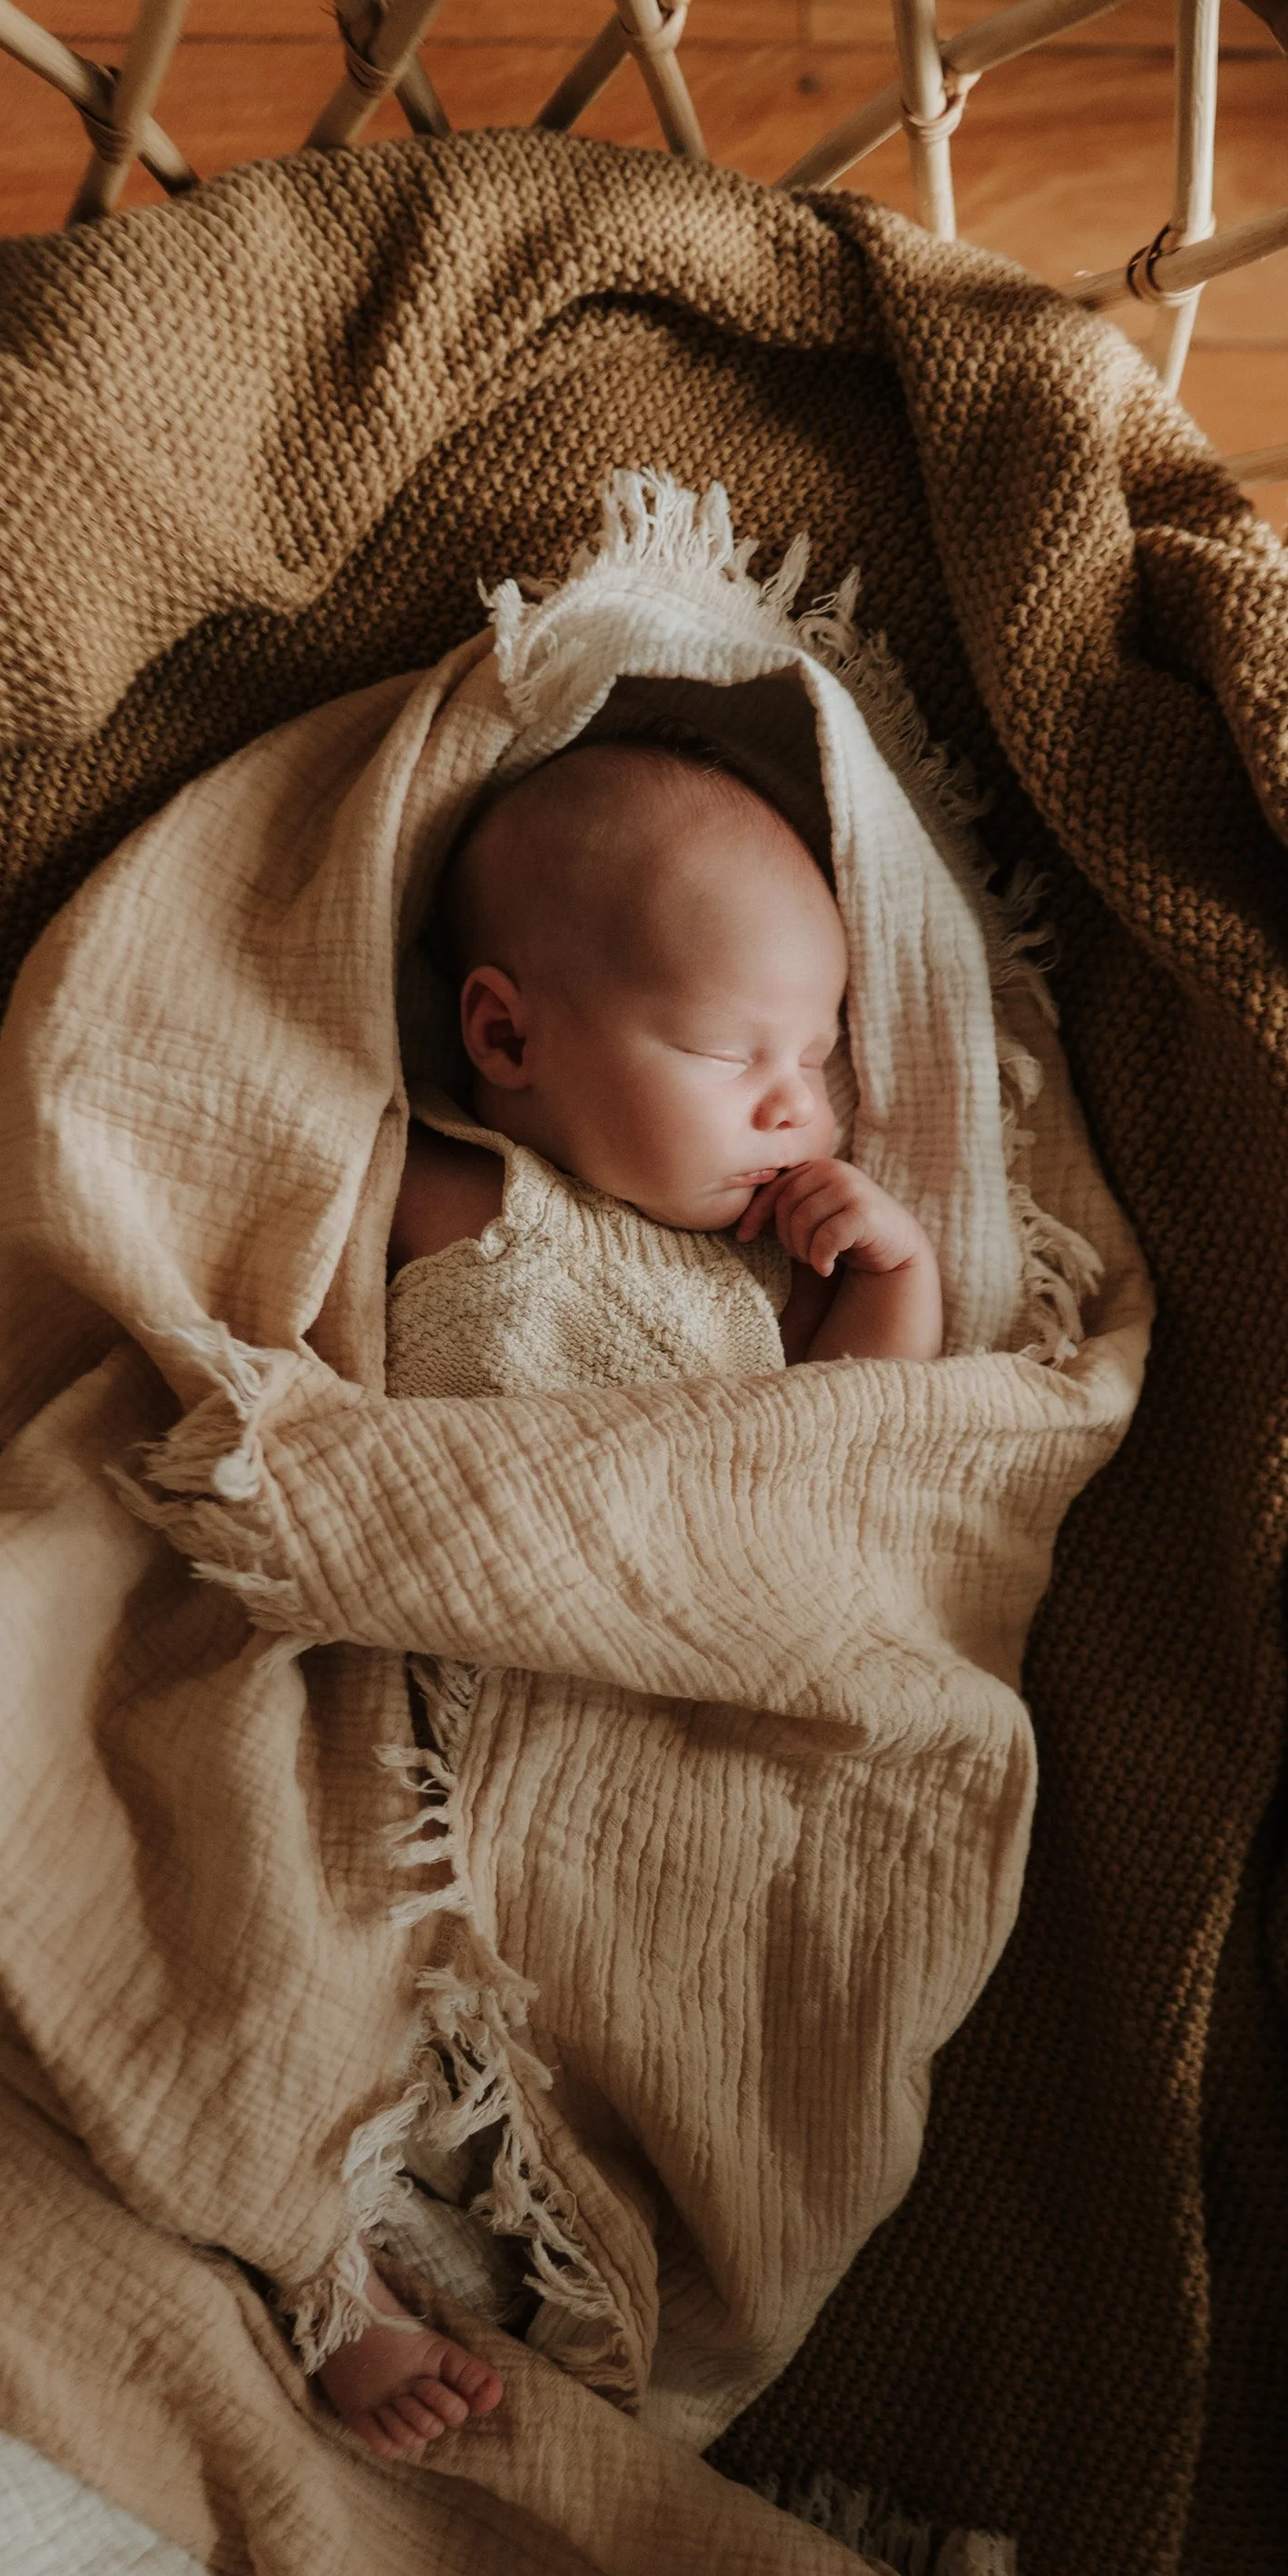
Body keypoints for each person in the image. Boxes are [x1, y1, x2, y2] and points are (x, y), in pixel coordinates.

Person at [316, 735, 945, 2456]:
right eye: (729, 1053)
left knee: (672, 2007)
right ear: (507, 1036)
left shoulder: (754, 1285)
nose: (794, 1107)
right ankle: (329, 2266)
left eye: (811, 1059)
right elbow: (265, 1268)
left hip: (656, 1726)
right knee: (310, 1947)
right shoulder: (449, 1188)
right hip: (439, 1696)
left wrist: (897, 1278)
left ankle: (545, 2229)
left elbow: (847, 1465)